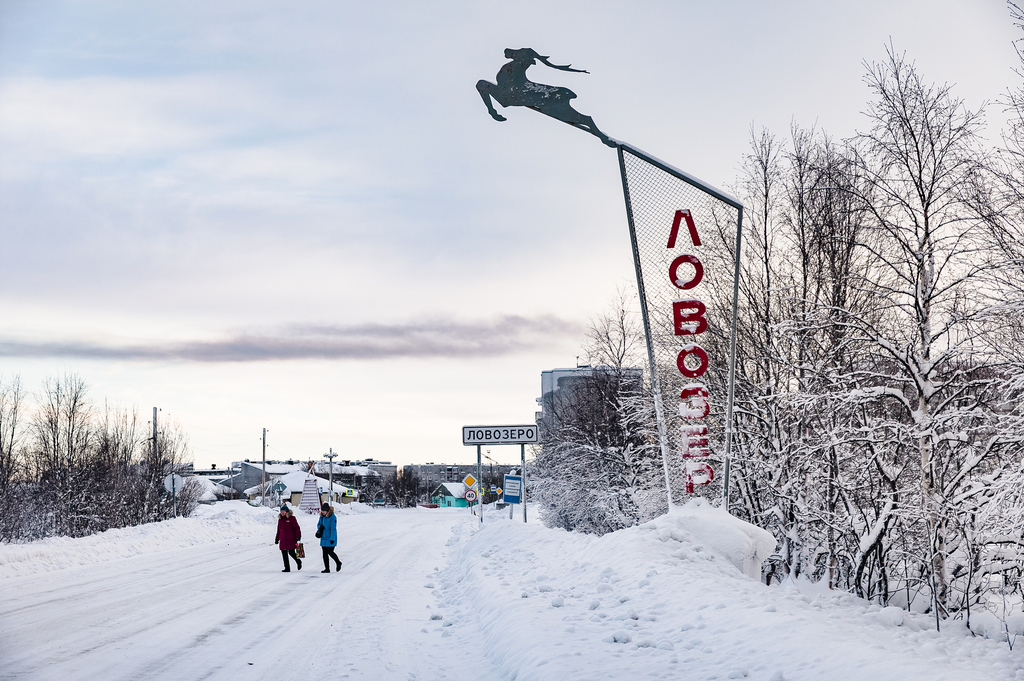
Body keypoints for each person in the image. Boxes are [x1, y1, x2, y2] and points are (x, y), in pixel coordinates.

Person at [275, 504, 302, 572]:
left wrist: (298, 537)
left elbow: (296, 528)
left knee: (291, 552)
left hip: (291, 539)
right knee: (284, 553)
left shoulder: (292, 518)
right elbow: (278, 530)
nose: (282, 513)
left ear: (287, 512)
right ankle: (287, 568)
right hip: (283, 539)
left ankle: (298, 561)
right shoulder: (280, 520)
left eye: (284, 511)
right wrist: (277, 539)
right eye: (281, 511)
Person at [317, 502, 342, 573]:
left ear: (327, 510)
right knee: (324, 553)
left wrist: (332, 539)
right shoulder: (321, 517)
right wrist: (320, 527)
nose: (323, 512)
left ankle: (338, 562)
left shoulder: (332, 517)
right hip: (323, 537)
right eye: (322, 510)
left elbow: (333, 529)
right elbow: (318, 524)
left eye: (324, 511)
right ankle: (327, 568)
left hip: (330, 537)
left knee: (330, 552)